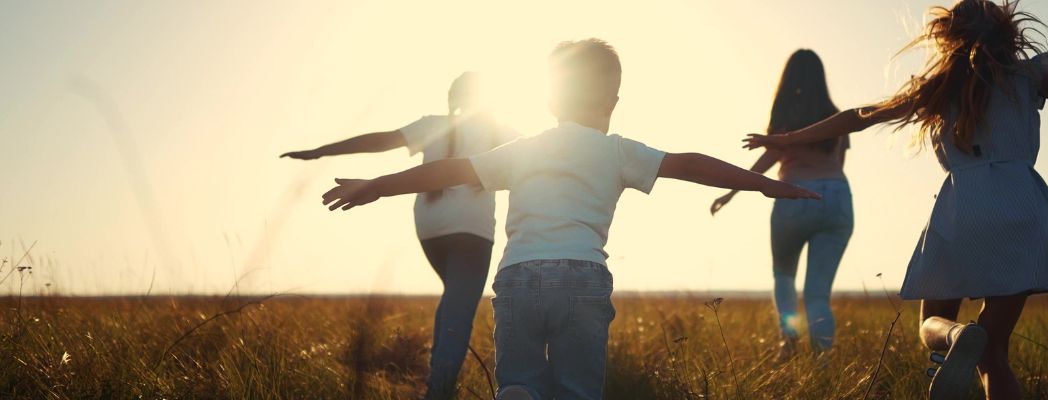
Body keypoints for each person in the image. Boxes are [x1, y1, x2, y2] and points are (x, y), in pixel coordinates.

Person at [742, 1, 1048, 399]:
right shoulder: (1026, 77)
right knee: (995, 355)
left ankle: (954, 337)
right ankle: (972, 345)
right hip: (1022, 204)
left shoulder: (937, 87)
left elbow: (858, 116)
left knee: (931, 325)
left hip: (964, 205)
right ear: (1006, 35)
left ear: (948, 38)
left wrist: (786, 141)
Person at [320, 38, 821, 400]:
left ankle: (518, 392)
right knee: (577, 390)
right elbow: (689, 164)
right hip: (581, 279)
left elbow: (447, 170)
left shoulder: (521, 150)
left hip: (517, 279)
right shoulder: (618, 151)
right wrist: (767, 184)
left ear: (550, 99)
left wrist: (376, 186)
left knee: (520, 382)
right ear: (614, 101)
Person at [281, 72, 516, 400]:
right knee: (458, 307)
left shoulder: (434, 124)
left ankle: (439, 382)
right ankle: (438, 391)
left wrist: (321, 151)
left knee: (454, 299)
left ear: (453, 98)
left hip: (430, 230)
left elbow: (379, 141)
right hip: (472, 231)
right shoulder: (502, 131)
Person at [710, 49, 852, 358]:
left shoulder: (787, 118)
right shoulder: (837, 117)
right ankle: (823, 362)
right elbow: (839, 164)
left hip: (794, 197)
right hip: (837, 197)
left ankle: (787, 346)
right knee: (818, 293)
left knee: (784, 277)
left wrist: (730, 192)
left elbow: (766, 161)